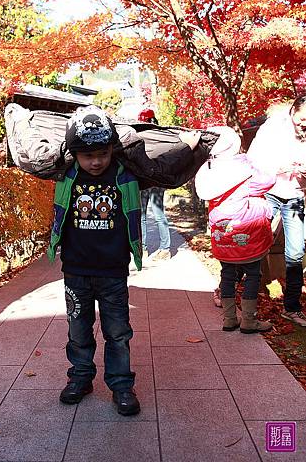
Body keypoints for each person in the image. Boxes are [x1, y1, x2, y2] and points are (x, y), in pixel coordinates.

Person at [47, 105, 200, 415]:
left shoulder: (125, 175)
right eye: (87, 155)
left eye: (102, 153)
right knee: (78, 329)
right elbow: (34, 154)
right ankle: (80, 377)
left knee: (118, 332)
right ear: (74, 153)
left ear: (112, 150)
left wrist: (190, 145)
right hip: (76, 270)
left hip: (113, 271)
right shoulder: (66, 174)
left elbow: (162, 169)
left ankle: (120, 385)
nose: (95, 161)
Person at [195, 126, 274, 333]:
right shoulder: (243, 174)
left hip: (223, 237)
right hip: (248, 235)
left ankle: (229, 318)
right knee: (253, 275)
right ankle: (249, 320)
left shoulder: (209, 172)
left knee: (227, 274)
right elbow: (269, 180)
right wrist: (249, 162)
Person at [247, 96, 306, 327]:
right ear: (293, 111)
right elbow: (252, 160)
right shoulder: (272, 127)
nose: (304, 124)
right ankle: (228, 290)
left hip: (296, 194)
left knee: (295, 252)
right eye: (302, 119)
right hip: (269, 189)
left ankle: (291, 307)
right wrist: (276, 168)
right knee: (253, 243)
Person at [137, 108, 171, 259]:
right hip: (155, 178)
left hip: (146, 179)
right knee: (155, 214)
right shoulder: (162, 136)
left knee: (144, 215)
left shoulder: (140, 136)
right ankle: (164, 249)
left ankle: (145, 249)